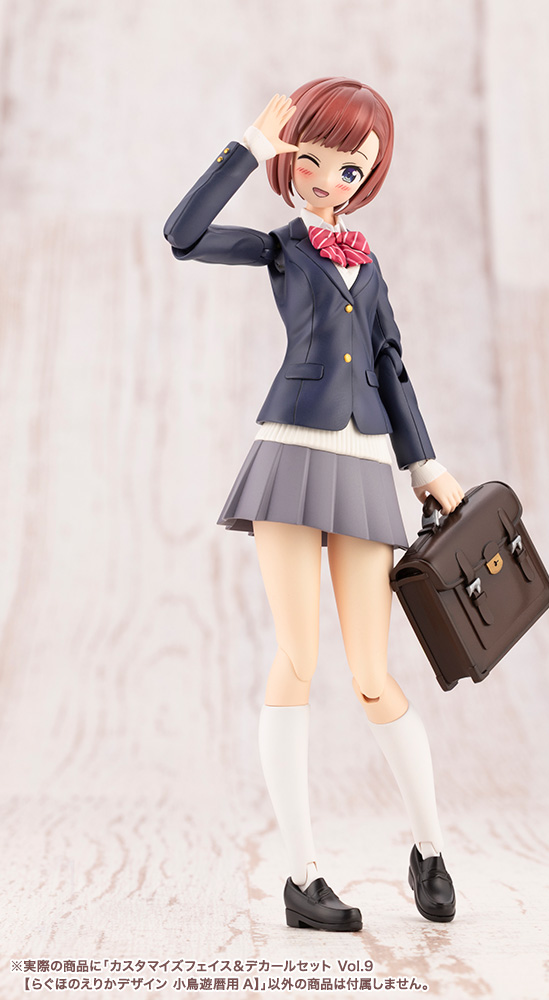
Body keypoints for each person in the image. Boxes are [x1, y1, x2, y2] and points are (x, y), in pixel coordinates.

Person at [164, 78, 464, 932]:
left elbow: (391, 365)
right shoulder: (280, 248)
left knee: (371, 673)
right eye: (315, 160)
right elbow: (183, 236)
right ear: (292, 159)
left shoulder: (367, 263)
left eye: (350, 169)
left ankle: (430, 847)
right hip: (292, 453)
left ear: (367, 177)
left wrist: (424, 464)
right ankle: (302, 877)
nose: (330, 180)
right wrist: (248, 149)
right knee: (297, 655)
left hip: (365, 461)